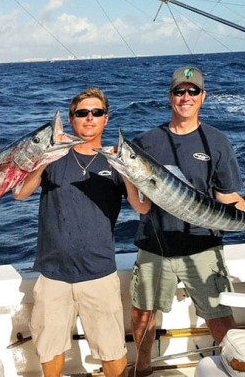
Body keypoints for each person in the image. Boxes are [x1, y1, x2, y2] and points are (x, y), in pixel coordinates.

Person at [128, 66, 245, 376]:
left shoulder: (216, 142)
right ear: (169, 96)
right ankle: (143, 368)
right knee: (142, 314)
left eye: (192, 91)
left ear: (203, 96)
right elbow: (140, 201)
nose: (185, 97)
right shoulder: (145, 142)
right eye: (179, 91)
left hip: (204, 247)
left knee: (218, 316)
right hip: (154, 245)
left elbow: (228, 199)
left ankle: (238, 369)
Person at [13, 87, 150, 377]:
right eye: (81, 113)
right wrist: (42, 161)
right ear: (73, 120)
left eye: (96, 113)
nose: (89, 118)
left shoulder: (114, 161)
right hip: (53, 274)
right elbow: (20, 193)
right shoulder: (55, 158)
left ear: (106, 119)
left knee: (112, 352)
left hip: (99, 272)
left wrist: (127, 171)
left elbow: (142, 207)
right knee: (50, 350)